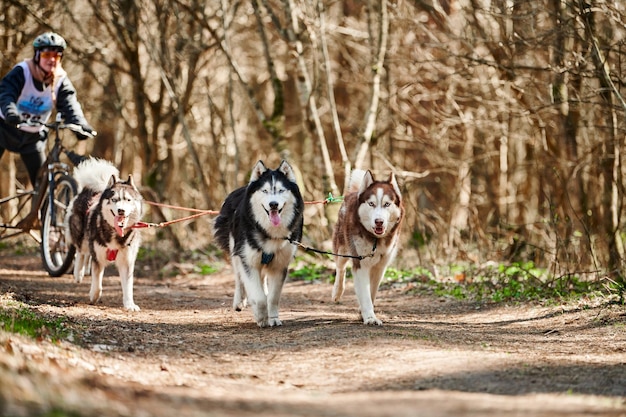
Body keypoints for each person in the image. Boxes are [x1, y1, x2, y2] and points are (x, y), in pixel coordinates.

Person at [0, 31, 94, 187]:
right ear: (37, 56)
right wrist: (10, 112)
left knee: (43, 186)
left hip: (32, 138)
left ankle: (44, 211)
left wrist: (80, 125)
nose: (51, 60)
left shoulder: (60, 80)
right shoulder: (23, 71)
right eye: (46, 55)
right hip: (5, 130)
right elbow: (5, 93)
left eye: (56, 56)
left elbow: (70, 104)